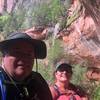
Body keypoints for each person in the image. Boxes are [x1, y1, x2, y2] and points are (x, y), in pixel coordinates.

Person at [0, 32, 52, 100]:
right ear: (4, 56)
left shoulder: (38, 81)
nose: (24, 58)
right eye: (17, 52)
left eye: (29, 54)